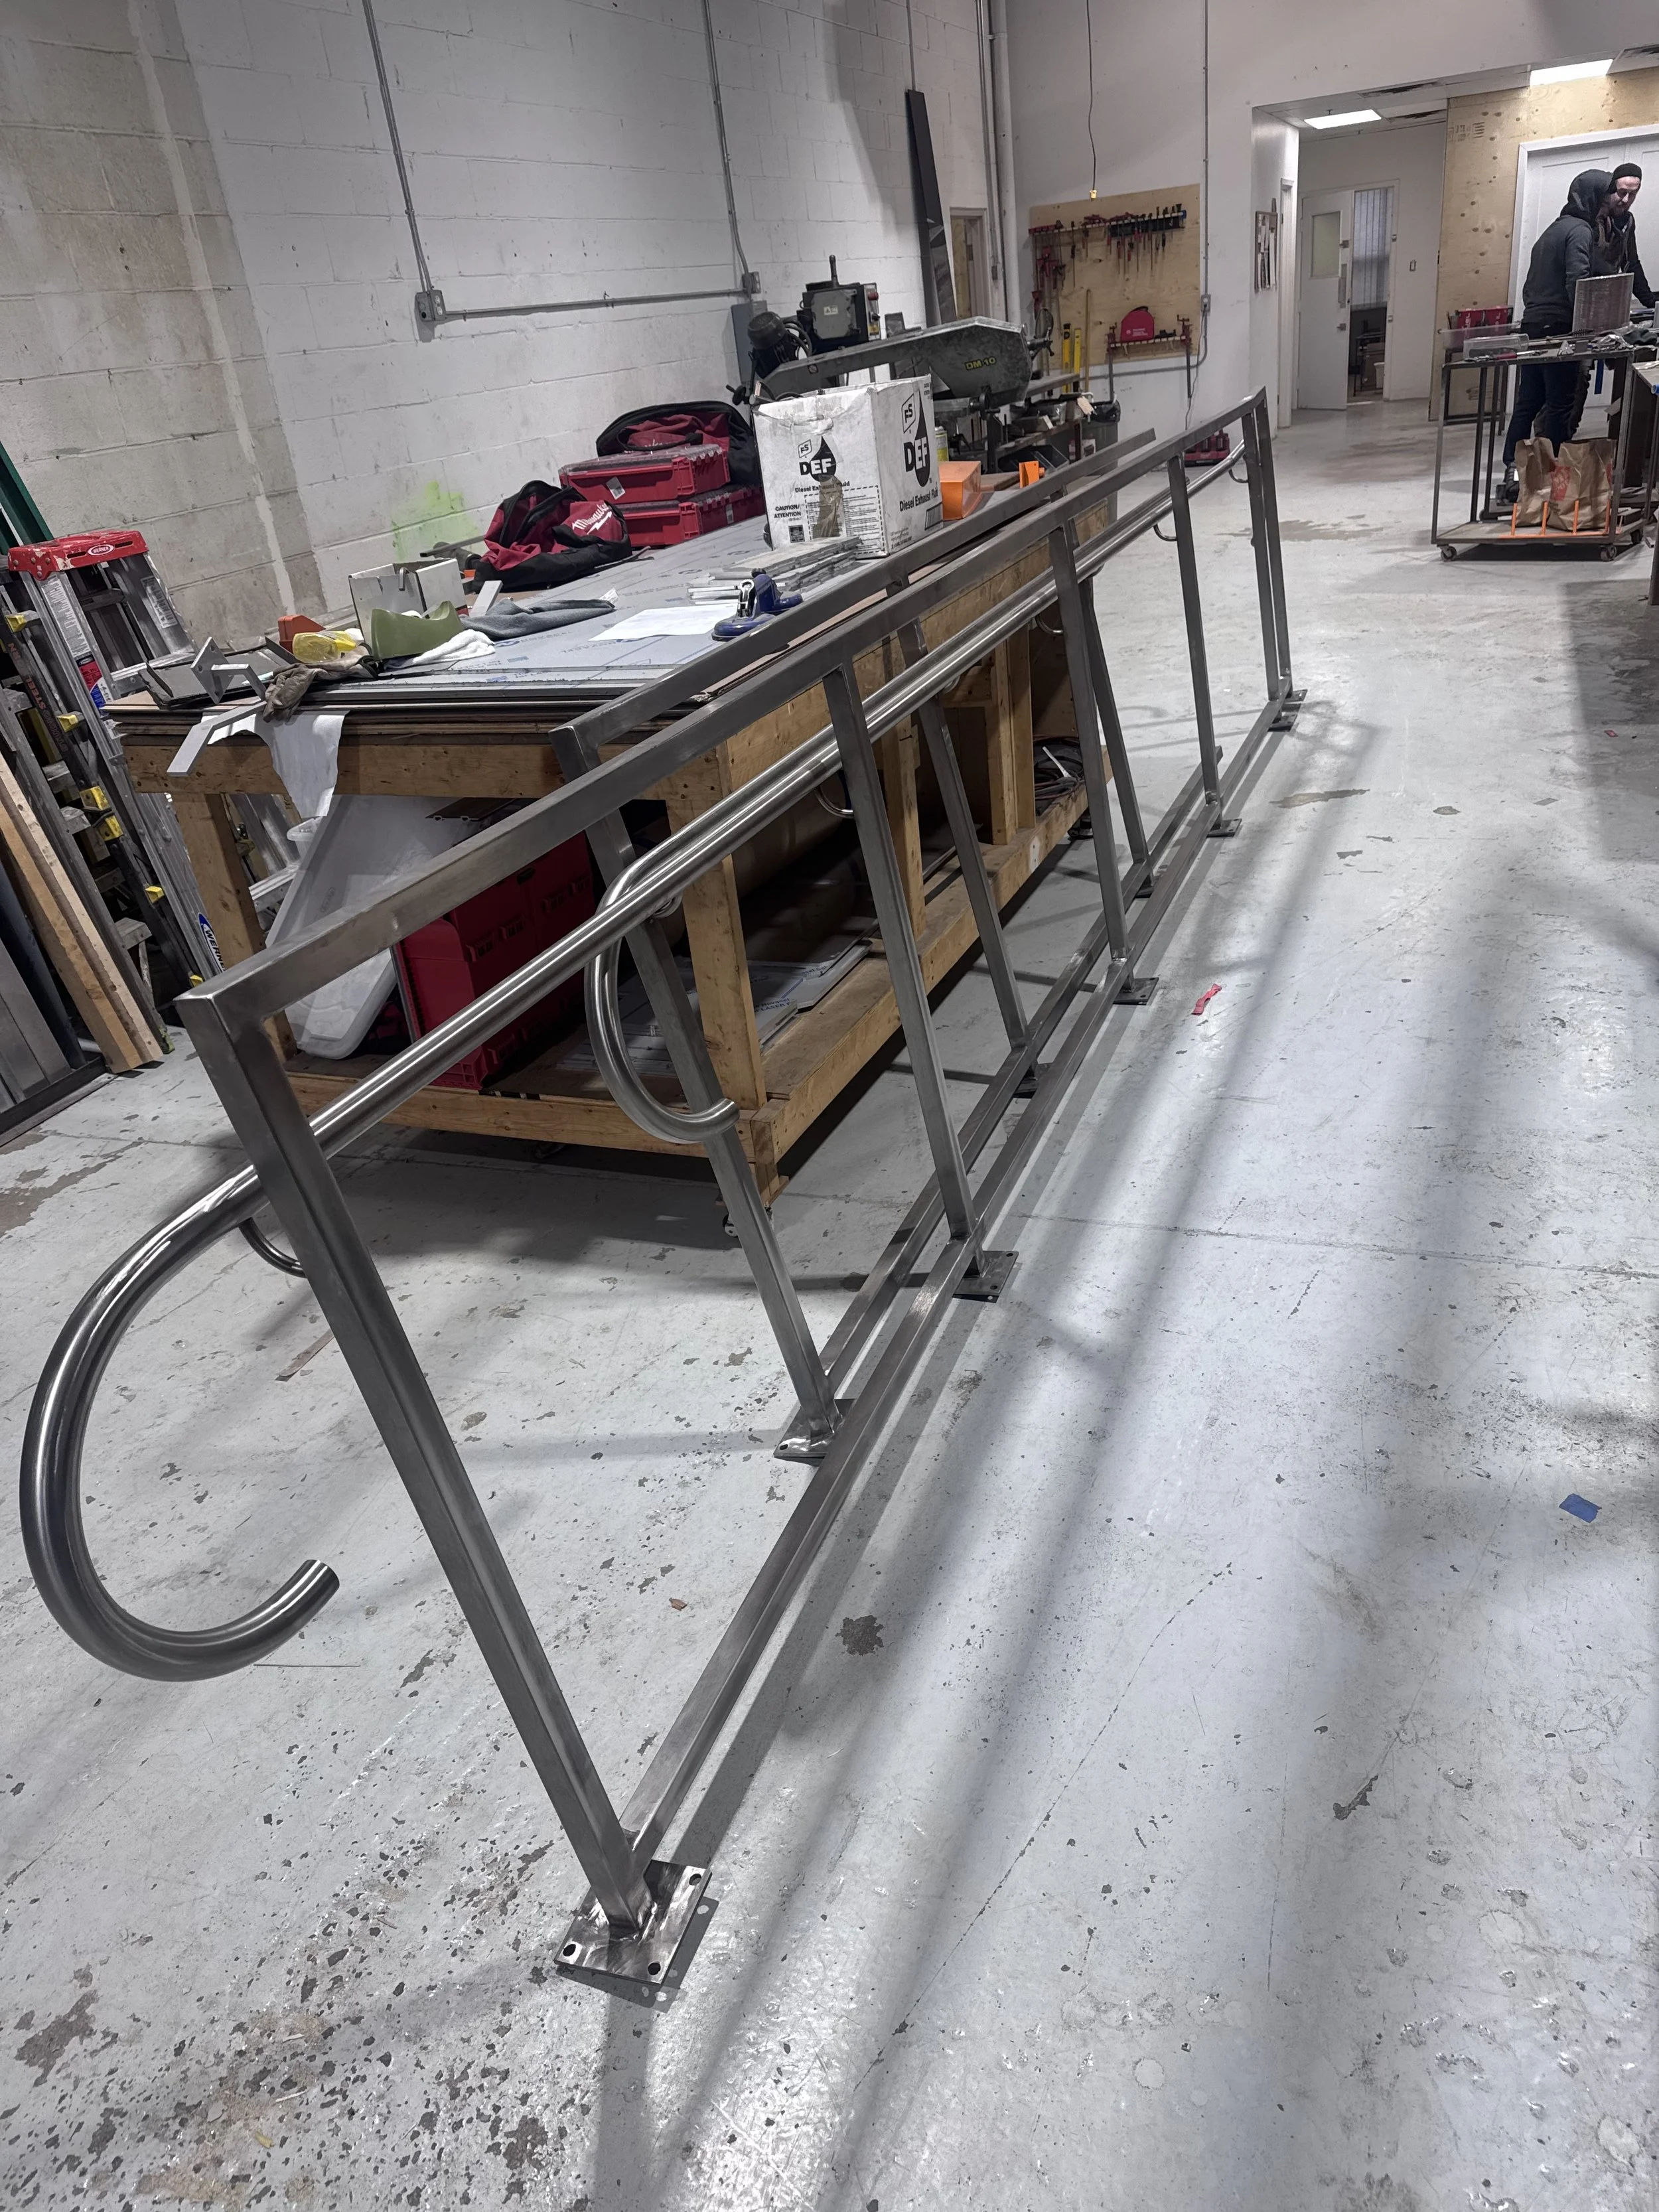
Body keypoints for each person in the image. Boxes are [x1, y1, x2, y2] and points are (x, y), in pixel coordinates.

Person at [1498, 168, 1611, 496]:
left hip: (1533, 324)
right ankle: (1554, 474)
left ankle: (1513, 470)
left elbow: (1530, 286)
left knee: (1528, 401)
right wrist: (1589, 327)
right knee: (1561, 403)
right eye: (1604, 200)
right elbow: (1577, 281)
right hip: (1559, 327)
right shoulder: (1580, 231)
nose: (1606, 207)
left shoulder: (1551, 231)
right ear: (1592, 198)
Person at [1596, 162, 1656, 307]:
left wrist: (1652, 304)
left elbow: (1631, 263)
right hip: (1583, 295)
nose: (1626, 200)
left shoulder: (1627, 220)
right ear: (1611, 190)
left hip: (1608, 297)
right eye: (1622, 193)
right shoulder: (1594, 218)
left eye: (1632, 195)